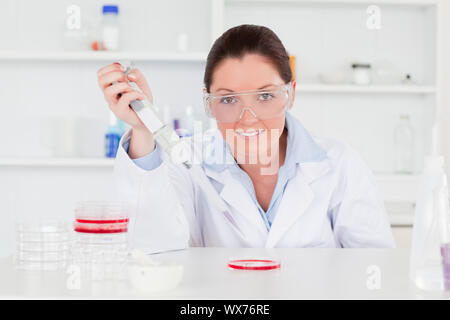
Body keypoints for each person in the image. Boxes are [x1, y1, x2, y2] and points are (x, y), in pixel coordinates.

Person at [97, 24, 395, 253]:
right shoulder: (188, 163)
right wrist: (143, 128)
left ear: (290, 94)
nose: (247, 117)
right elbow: (151, 250)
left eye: (265, 96)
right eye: (228, 100)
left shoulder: (340, 164)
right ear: (209, 103)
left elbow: (373, 271)